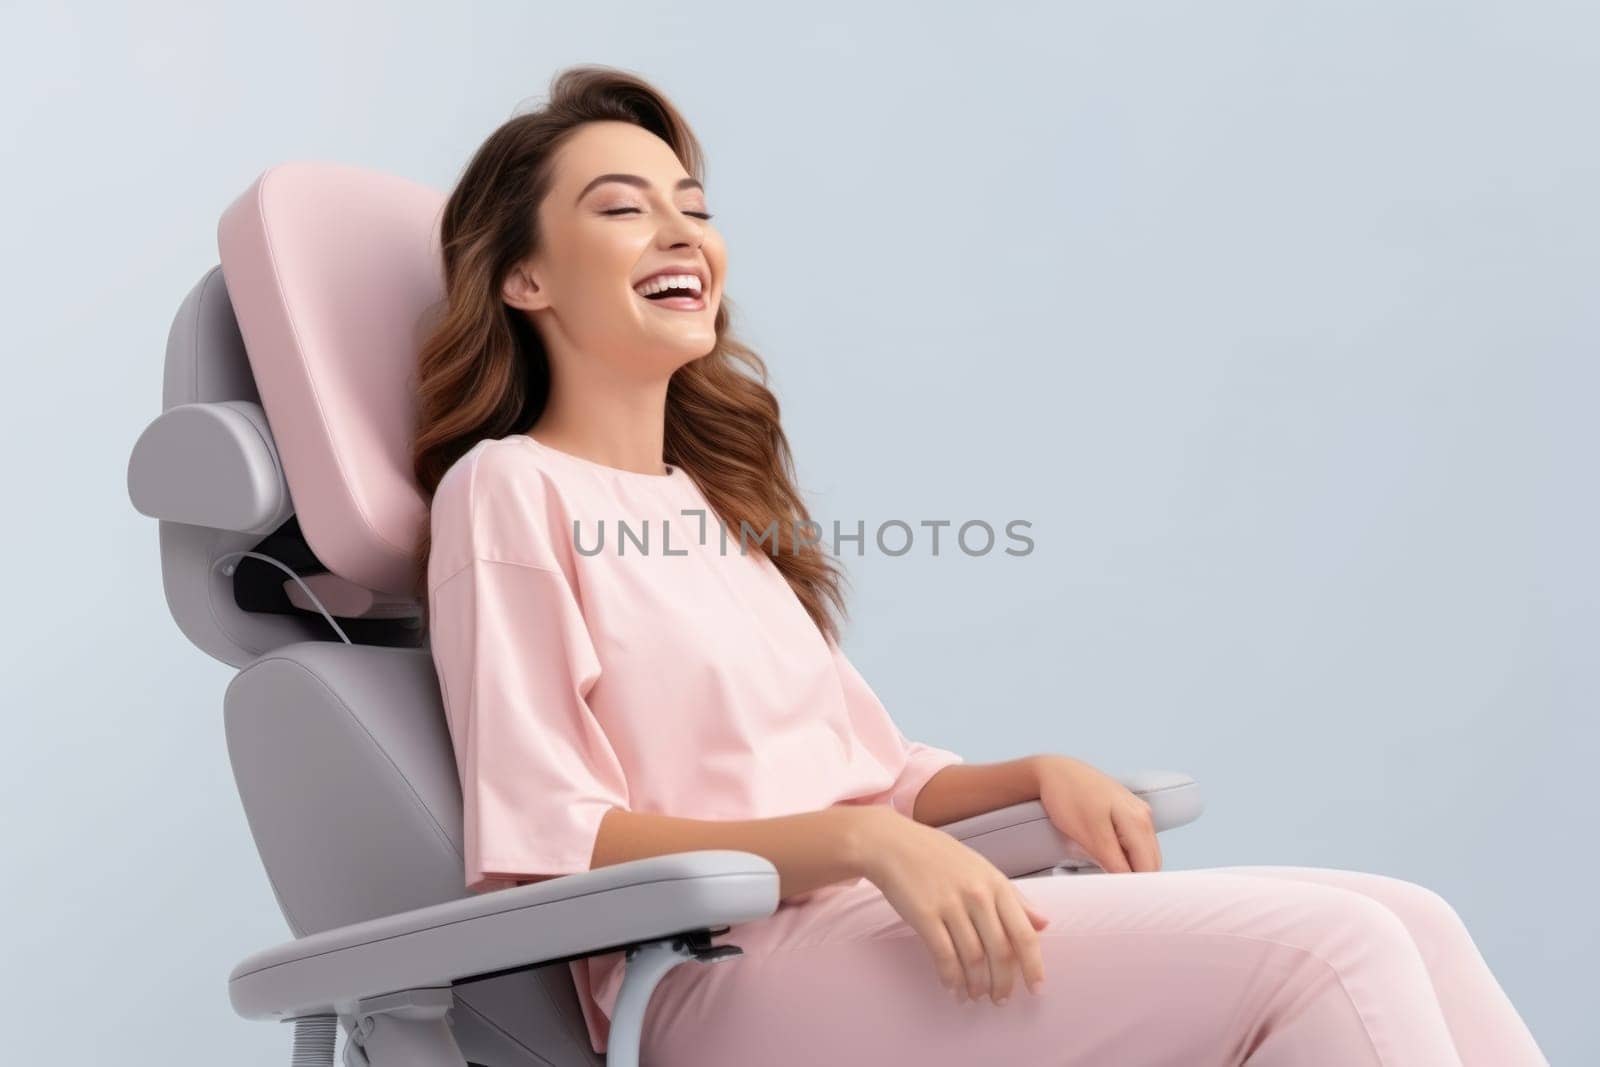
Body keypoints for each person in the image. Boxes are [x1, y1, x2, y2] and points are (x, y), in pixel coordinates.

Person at [410, 64, 1548, 1066]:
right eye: (622, 208)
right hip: (715, 969)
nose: (680, 234)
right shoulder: (509, 488)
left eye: (693, 209)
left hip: (866, 920)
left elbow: (873, 772)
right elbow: (554, 836)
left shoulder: (712, 508)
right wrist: (858, 840)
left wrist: (1027, 771)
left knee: (1408, 915)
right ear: (525, 280)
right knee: (1326, 954)